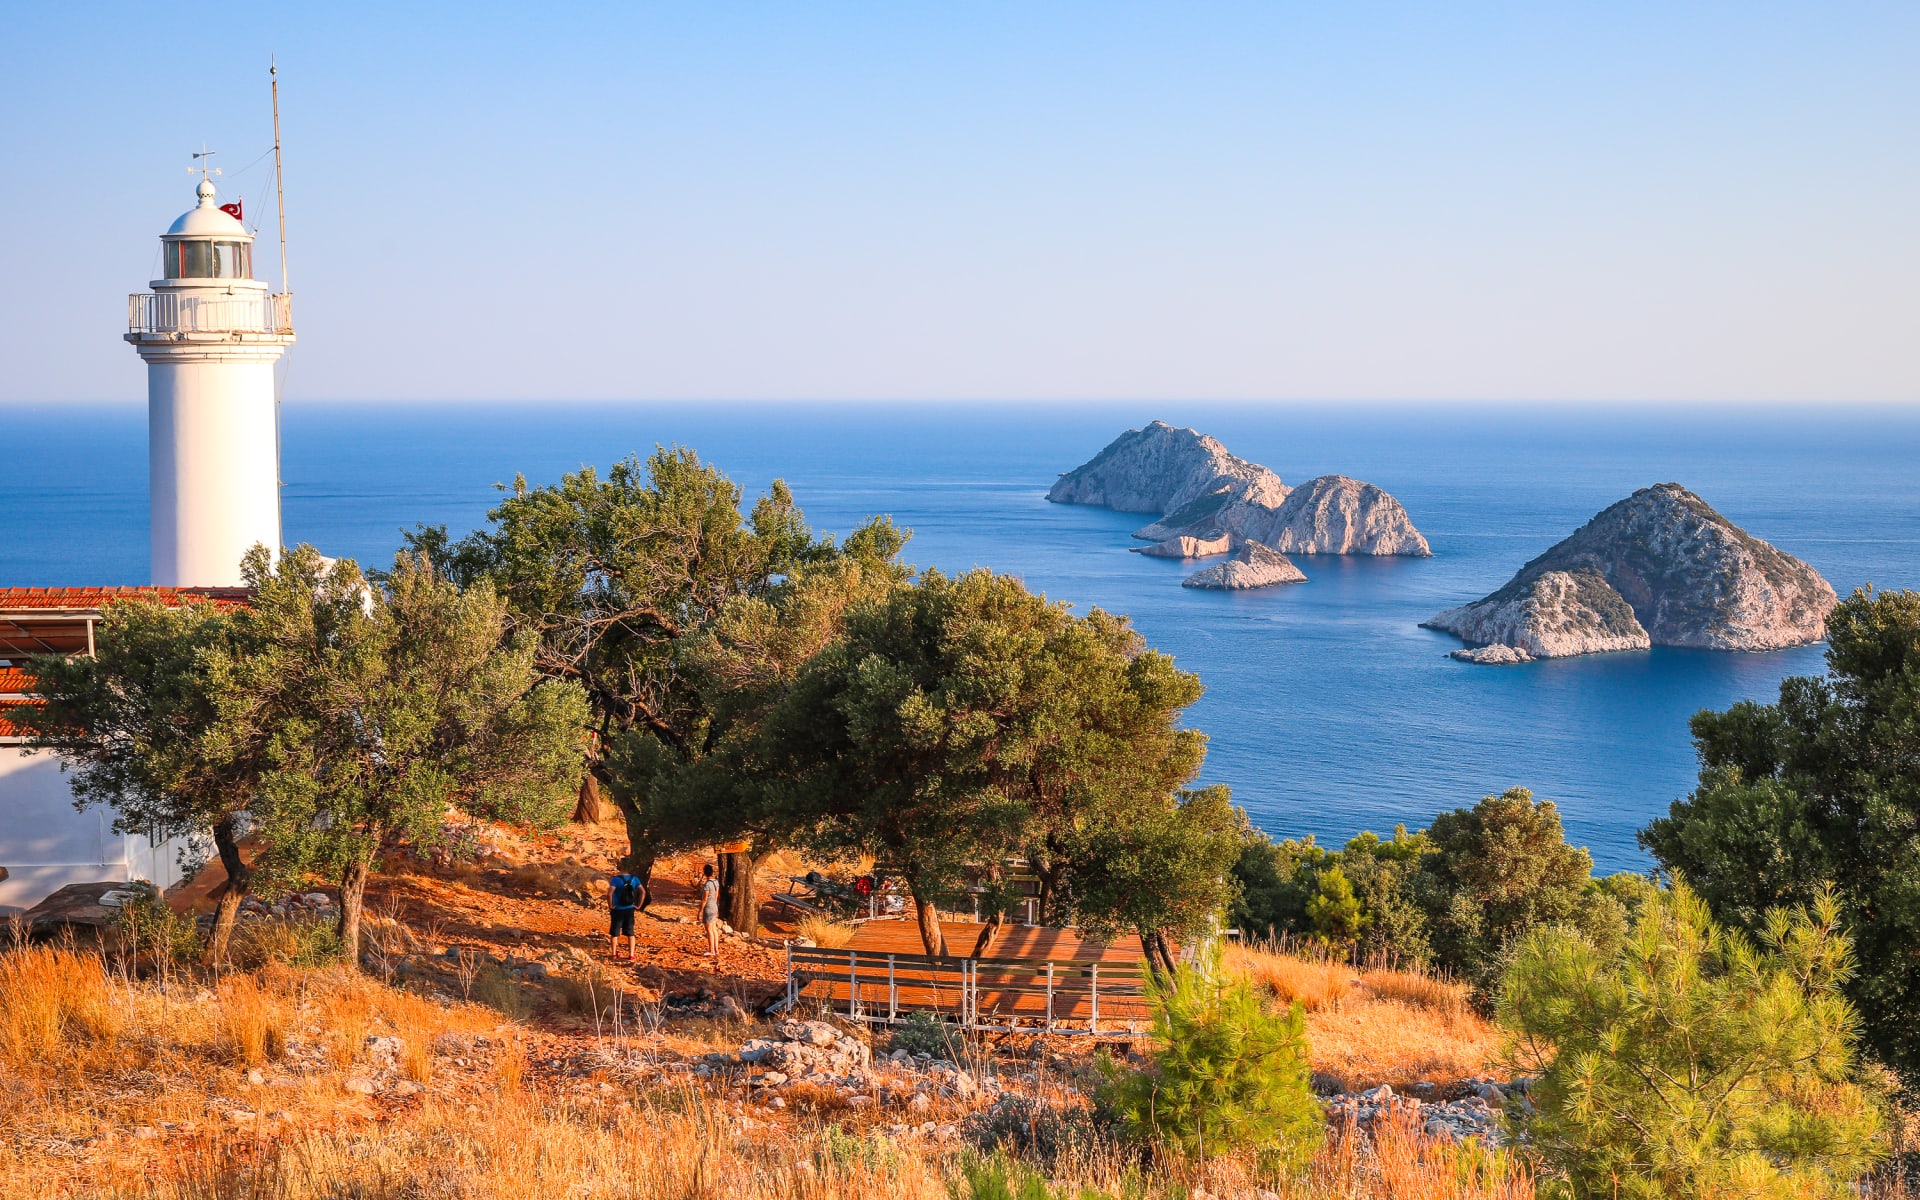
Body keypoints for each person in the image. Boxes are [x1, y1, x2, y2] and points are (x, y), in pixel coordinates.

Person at [608, 868, 644, 960]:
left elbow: (609, 894)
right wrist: (639, 905)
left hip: (617, 909)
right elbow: (643, 892)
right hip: (629, 909)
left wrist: (611, 906)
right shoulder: (634, 879)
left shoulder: (615, 879)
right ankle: (631, 955)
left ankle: (614, 954)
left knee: (615, 933)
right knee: (630, 933)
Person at [698, 862, 722, 962]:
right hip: (715, 906)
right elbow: (716, 896)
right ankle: (716, 949)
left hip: (708, 908)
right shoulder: (716, 882)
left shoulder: (707, 885)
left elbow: (704, 899)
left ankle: (711, 950)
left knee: (709, 930)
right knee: (714, 929)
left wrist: (700, 911)